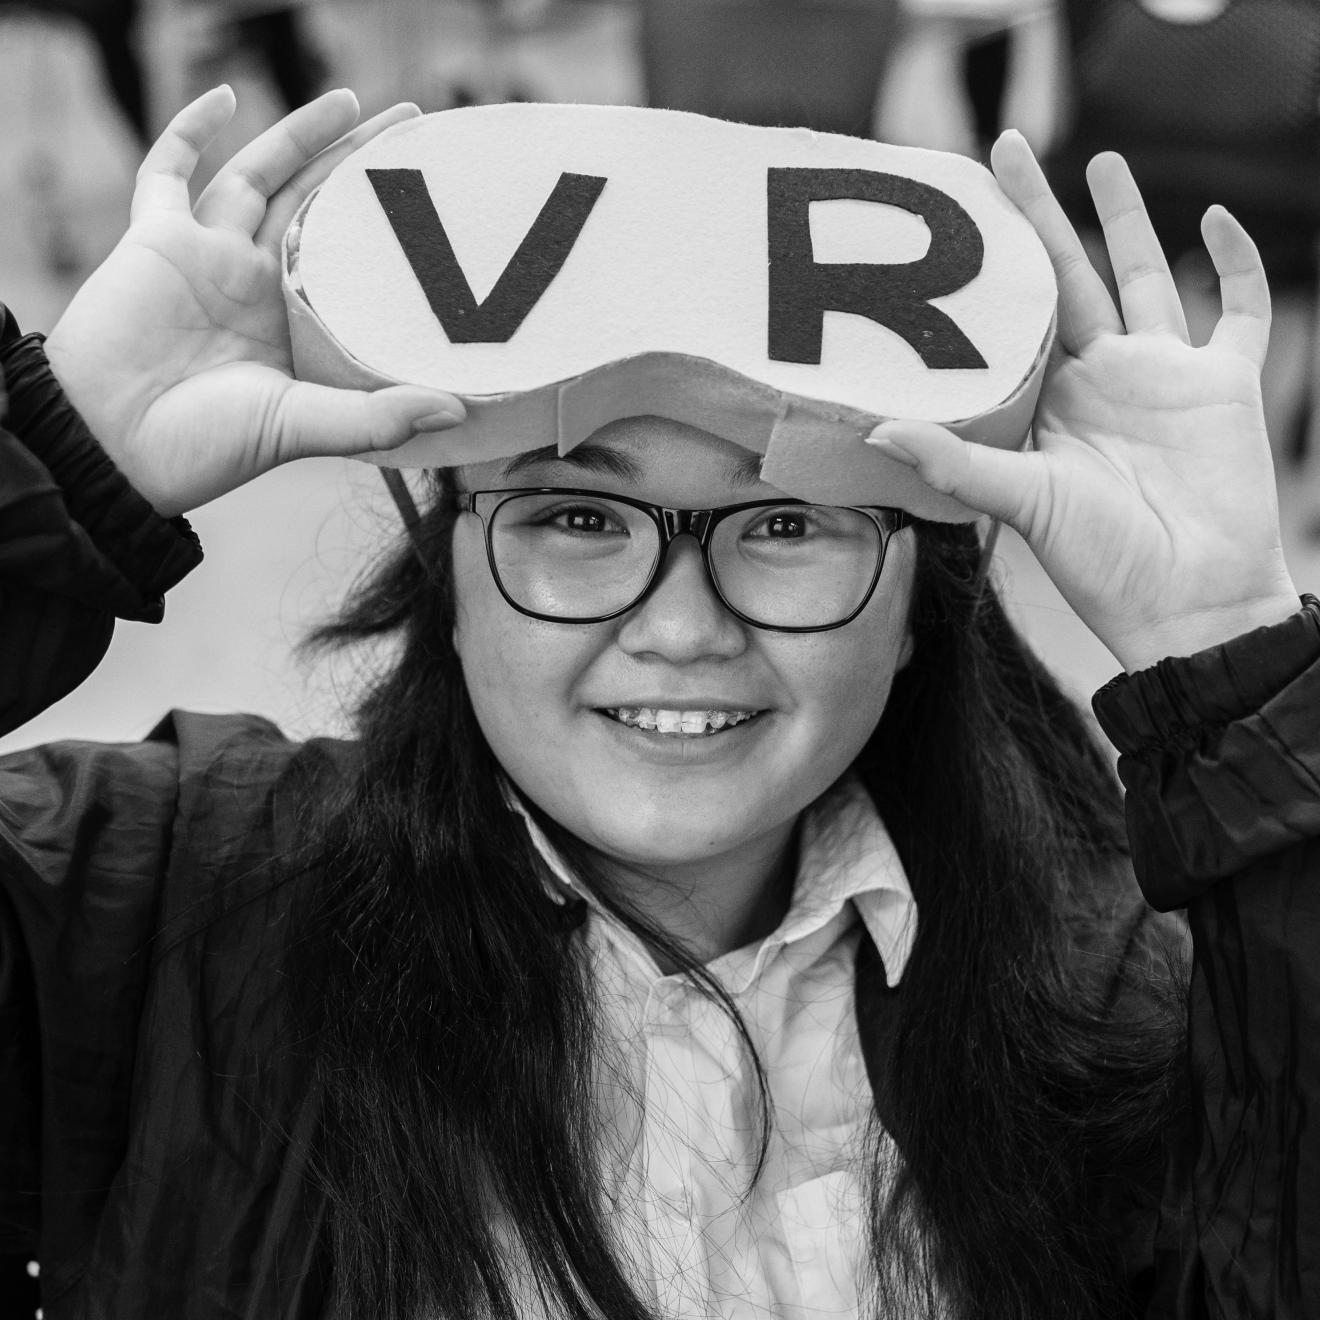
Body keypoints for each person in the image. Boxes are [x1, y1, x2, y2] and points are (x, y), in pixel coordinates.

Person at [0, 85, 1316, 1320]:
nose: (681, 627)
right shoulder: (157, 915)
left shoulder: (1113, 1018)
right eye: (577, 513)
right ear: (447, 569)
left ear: (923, 601)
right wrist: (65, 458)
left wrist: (1228, 659)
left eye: (787, 522)